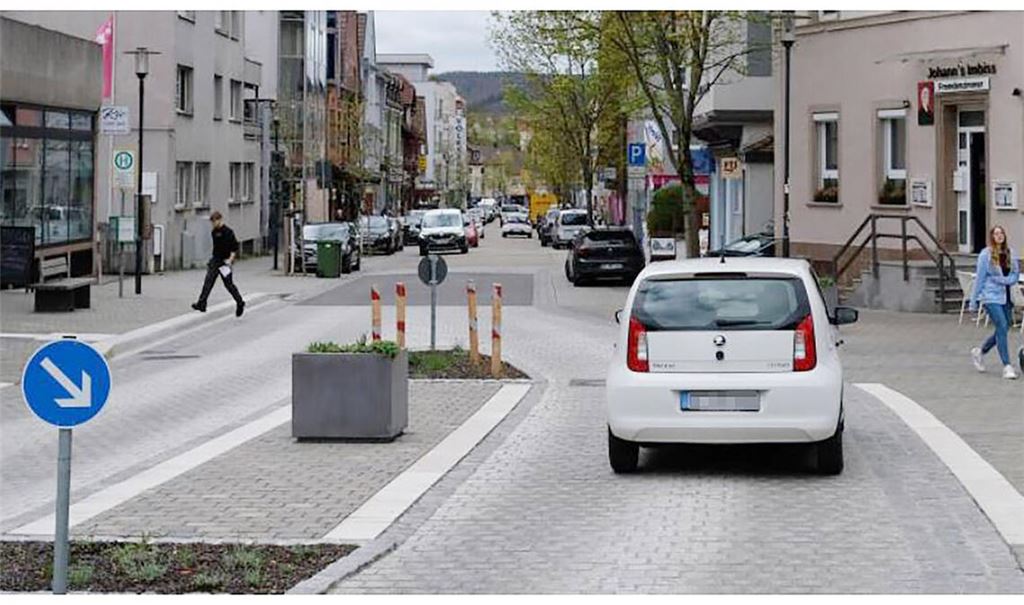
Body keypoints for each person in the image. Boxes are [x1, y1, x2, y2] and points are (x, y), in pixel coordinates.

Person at [968, 225, 1020, 379]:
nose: (999, 236)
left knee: (1003, 329)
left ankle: (980, 351)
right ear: (991, 237)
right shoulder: (986, 255)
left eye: (1001, 233)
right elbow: (980, 277)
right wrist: (974, 300)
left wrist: (1005, 280)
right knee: (1002, 325)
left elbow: (1015, 274)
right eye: (996, 233)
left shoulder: (1010, 253)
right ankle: (1007, 365)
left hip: (1007, 295)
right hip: (991, 296)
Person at [192, 211, 245, 317]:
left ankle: (240, 302)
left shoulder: (228, 232)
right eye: (212, 222)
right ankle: (202, 303)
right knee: (208, 281)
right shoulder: (214, 232)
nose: (213, 224)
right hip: (216, 260)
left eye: (215, 221)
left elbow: (234, 248)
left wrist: (230, 260)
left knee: (229, 285)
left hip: (225, 261)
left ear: (220, 220)